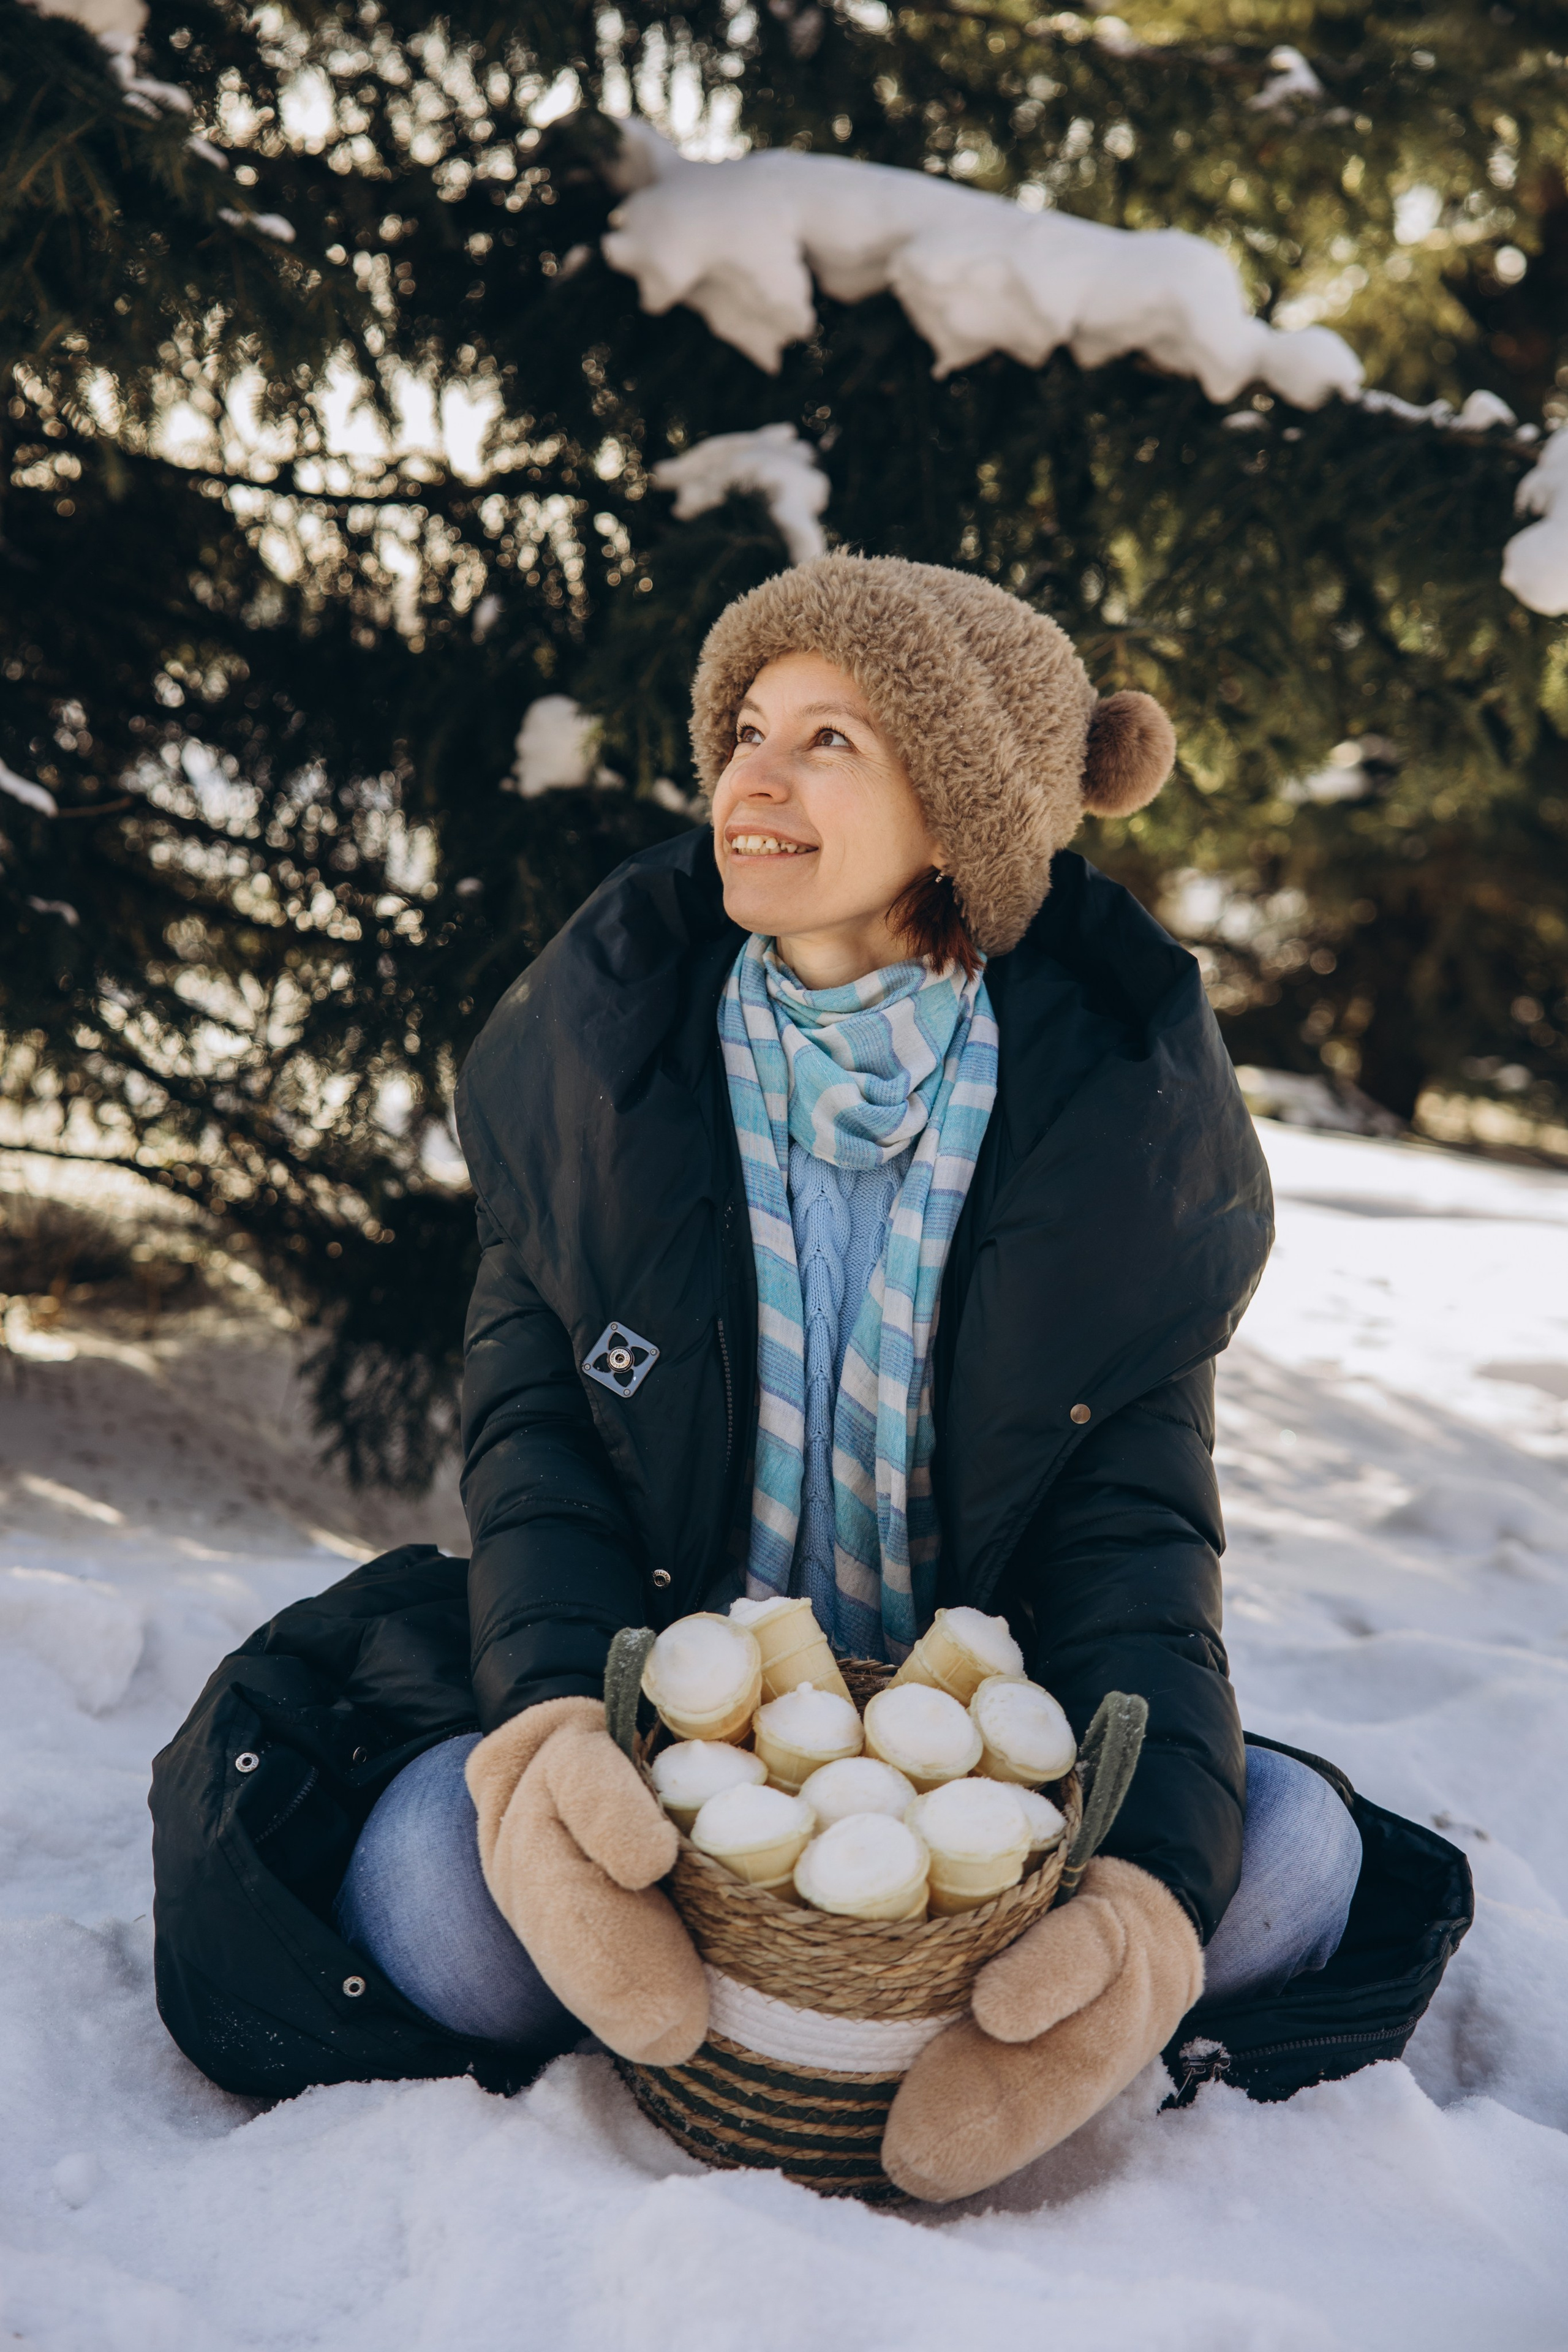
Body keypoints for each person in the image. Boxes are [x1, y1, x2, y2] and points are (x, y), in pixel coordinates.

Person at [329, 554, 1363, 2203]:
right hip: (663, 1732)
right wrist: (546, 1742)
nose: (753, 772)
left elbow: (1134, 1549)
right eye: (747, 726)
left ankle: (852, 2017)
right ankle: (788, 2012)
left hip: (963, 1767)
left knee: (1291, 1855)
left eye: (832, 741)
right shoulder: (604, 1065)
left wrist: (1147, 1886)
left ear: (963, 814)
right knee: (444, 1904)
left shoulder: (1105, 1134)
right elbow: (538, 1459)